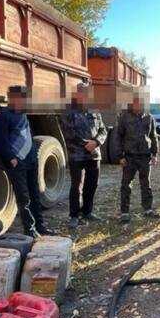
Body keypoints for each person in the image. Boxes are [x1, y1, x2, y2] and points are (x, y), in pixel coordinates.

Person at [0, 85, 51, 237]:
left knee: (35, 194)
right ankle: (30, 229)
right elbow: (1, 140)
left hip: (31, 159)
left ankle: (40, 226)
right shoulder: (4, 115)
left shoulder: (23, 114)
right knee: (23, 197)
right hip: (17, 161)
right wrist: (11, 158)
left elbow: (27, 135)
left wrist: (34, 157)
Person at [60, 83, 108, 229]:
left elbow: (103, 130)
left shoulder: (95, 110)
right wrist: (86, 144)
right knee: (77, 186)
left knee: (92, 185)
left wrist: (96, 142)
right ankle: (74, 216)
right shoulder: (68, 111)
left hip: (94, 155)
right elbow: (68, 132)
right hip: (77, 155)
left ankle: (87, 211)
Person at [112, 93, 159, 222]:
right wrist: (119, 156)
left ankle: (148, 209)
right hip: (129, 157)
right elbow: (118, 137)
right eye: (136, 102)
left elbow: (153, 136)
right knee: (126, 185)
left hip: (145, 156)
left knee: (146, 184)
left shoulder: (149, 117)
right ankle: (125, 212)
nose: (138, 105)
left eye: (140, 102)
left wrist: (154, 154)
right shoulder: (124, 117)